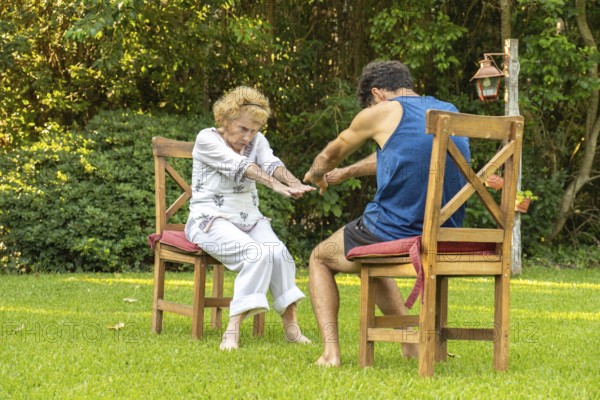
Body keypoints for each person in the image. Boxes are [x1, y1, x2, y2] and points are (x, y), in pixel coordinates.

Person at [303, 60, 470, 366]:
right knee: (366, 254)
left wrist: (316, 173)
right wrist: (347, 173)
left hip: (399, 229)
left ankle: (330, 353)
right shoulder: (449, 110)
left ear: (377, 93)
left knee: (320, 257)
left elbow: (330, 153)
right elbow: (405, 156)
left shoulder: (383, 110)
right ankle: (411, 343)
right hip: (447, 231)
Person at [185, 86, 314, 351]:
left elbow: (270, 163)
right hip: (209, 220)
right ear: (225, 119)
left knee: (279, 253)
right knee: (256, 254)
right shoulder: (206, 139)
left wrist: (293, 182)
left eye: (254, 130)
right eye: (243, 129)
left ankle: (291, 328)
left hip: (249, 219)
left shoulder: (257, 140)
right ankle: (231, 332)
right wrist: (275, 186)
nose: (248, 137)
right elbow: (241, 166)